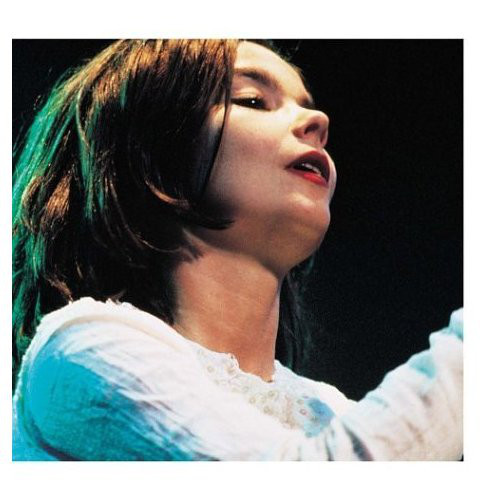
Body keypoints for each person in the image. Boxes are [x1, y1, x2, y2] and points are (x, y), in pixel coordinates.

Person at [12, 39, 463, 460]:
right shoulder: (81, 351)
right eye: (252, 100)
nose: (318, 122)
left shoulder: (331, 410)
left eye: (306, 105)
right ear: (148, 153)